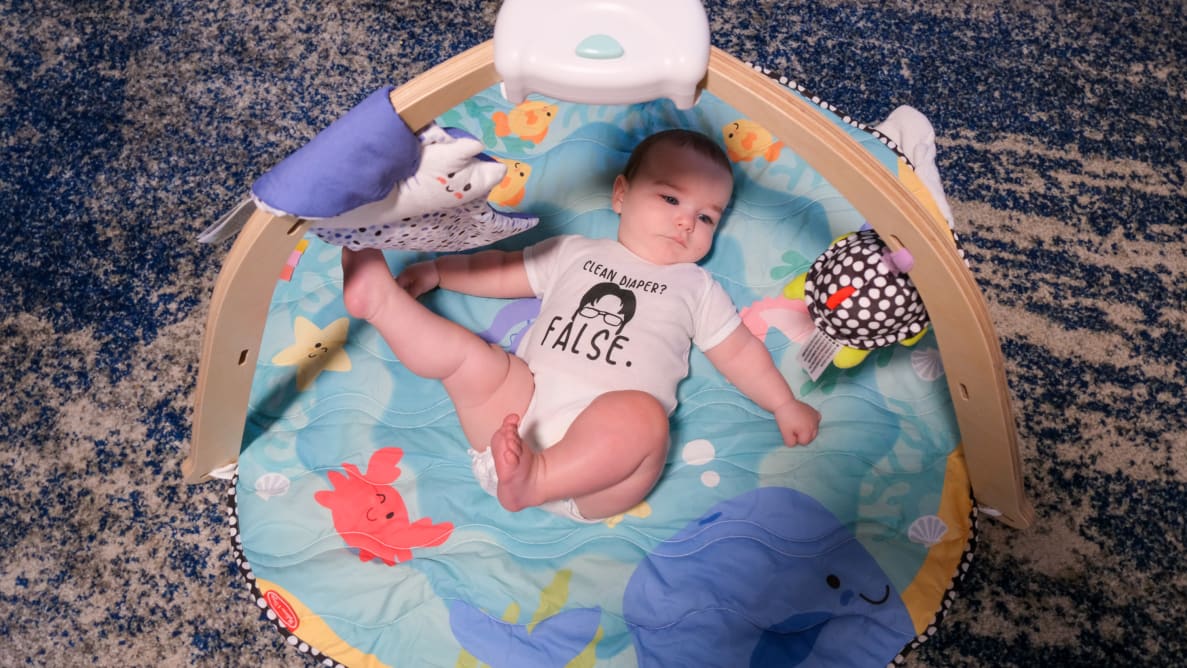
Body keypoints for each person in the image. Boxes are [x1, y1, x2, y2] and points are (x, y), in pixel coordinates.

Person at [341, 129, 821, 522]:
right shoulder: (575, 253)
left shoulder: (695, 286)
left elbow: (738, 352)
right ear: (620, 194)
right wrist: (439, 271)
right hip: (511, 424)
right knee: (475, 361)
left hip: (596, 478)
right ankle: (382, 302)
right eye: (670, 198)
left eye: (706, 217)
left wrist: (783, 403)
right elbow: (503, 272)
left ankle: (539, 478)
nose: (685, 223)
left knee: (644, 418)